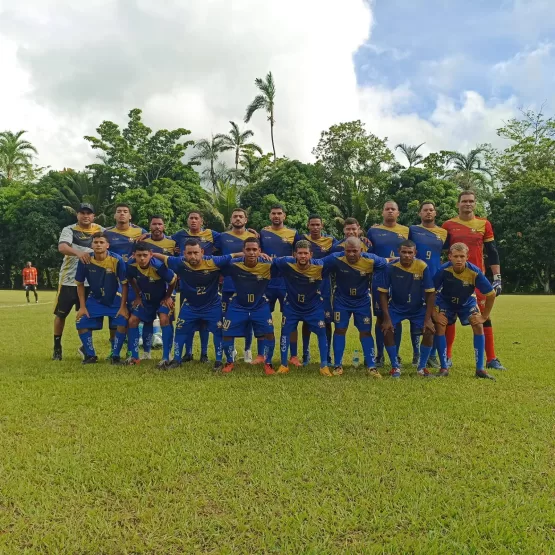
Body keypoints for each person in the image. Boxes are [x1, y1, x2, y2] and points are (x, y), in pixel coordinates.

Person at [442, 191, 505, 370]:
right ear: (458, 204)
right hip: (453, 278)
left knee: (484, 316)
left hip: (477, 278)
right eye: (464, 201)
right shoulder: (448, 225)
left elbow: (492, 252)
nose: (467, 204)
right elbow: (442, 251)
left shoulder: (484, 224)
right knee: (449, 315)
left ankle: (491, 358)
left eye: (471, 201)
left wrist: (497, 278)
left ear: (475, 204)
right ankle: (447, 357)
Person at [153, 239, 234, 371]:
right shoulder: (179, 262)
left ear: (201, 252)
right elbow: (165, 258)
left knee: (218, 331)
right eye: (189, 253)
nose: (193, 256)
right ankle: (177, 360)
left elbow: (233, 256)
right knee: (180, 330)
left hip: (212, 305)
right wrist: (152, 255)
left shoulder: (214, 261)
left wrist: (254, 255)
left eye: (196, 252)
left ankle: (219, 360)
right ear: (184, 253)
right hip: (190, 305)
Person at [323, 237, 388, 377]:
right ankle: (338, 365)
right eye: (348, 251)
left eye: (355, 251)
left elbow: (389, 262)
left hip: (362, 301)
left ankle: (371, 366)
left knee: (365, 332)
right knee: (340, 330)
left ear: (362, 250)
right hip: (342, 300)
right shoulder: (336, 258)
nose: (351, 254)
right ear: (344, 250)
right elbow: (317, 264)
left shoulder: (371, 260)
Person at [432, 242, 497, 380]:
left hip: (466, 302)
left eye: (462, 256)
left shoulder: (475, 272)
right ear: (450, 257)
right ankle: (444, 367)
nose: (459, 259)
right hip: (445, 302)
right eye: (456, 256)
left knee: (478, 325)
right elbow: (430, 292)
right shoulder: (443, 270)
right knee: (440, 325)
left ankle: (480, 369)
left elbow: (491, 294)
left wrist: (484, 317)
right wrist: (435, 313)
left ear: (467, 257)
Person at [272, 240, 332, 376]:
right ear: (295, 255)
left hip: (313, 306)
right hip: (292, 306)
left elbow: (338, 257)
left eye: (305, 253)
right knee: (285, 332)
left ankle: (324, 366)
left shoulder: (320, 265)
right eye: (300, 253)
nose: (303, 256)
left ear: (311, 254)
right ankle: (283, 364)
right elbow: (271, 261)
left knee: (322, 333)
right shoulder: (286, 262)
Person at [378, 240, 436, 378]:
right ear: (399, 252)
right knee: (387, 329)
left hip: (417, 308)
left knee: (429, 330)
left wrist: (428, 319)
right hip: (397, 306)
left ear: (415, 253)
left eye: (410, 252)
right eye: (404, 252)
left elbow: (431, 293)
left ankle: (421, 368)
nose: (407, 255)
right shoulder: (390, 267)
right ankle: (395, 367)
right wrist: (386, 318)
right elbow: (382, 293)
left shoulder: (422, 266)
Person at [53, 203, 104, 360]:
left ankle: (85, 346)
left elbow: (114, 238)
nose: (85, 216)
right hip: (69, 279)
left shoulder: (100, 230)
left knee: (88, 314)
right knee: (61, 315)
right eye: (82, 213)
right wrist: (78, 252)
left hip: (90, 281)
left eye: (88, 213)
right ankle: (57, 346)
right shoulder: (69, 229)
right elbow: (62, 248)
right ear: (77, 215)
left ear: (93, 216)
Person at [221, 237, 277, 375]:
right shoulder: (233, 264)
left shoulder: (269, 264)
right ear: (243, 251)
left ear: (260, 251)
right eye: (248, 250)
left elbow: (291, 262)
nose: (251, 253)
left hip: (259, 304)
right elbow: (215, 265)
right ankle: (229, 362)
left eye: (254, 250)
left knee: (269, 333)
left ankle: (268, 363)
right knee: (227, 333)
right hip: (238, 304)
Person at [172, 211, 221, 363]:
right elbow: (163, 240)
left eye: (196, 218)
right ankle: (188, 352)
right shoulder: (179, 235)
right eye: (191, 218)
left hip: (207, 283)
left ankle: (204, 354)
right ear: (187, 220)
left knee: (205, 324)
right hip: (188, 287)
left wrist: (252, 232)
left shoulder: (212, 234)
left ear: (202, 221)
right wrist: (145, 236)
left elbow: (229, 238)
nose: (193, 221)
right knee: (188, 323)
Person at [75, 232, 129, 364]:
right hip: (95, 299)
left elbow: (125, 284)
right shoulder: (85, 260)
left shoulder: (117, 260)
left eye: (101, 242)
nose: (98, 245)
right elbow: (80, 284)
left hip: (114, 298)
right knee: (81, 322)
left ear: (107, 245)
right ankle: (90, 355)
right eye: (96, 242)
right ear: (91, 245)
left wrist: (123, 307)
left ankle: (115, 356)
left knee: (122, 321)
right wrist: (82, 307)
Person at [367, 201, 409, 367]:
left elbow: (411, 252)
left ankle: (395, 353)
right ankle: (379, 354)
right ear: (382, 212)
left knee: (395, 318)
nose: (390, 211)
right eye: (387, 209)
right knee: (380, 317)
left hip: (400, 279)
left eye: (393, 209)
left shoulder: (406, 231)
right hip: (380, 278)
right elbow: (367, 255)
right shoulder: (373, 230)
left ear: (398, 213)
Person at [408, 201, 449, 368]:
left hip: (436, 278)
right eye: (425, 210)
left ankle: (432, 355)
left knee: (436, 316)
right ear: (420, 213)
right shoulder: (412, 230)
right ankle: (416, 353)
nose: (428, 213)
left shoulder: (444, 233)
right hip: (415, 278)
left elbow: (447, 252)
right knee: (416, 316)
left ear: (435, 213)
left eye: (431, 210)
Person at [259, 204, 300, 366]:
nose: (276, 216)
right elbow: (256, 249)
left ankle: (294, 355)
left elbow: (299, 253)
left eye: (279, 213)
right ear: (270, 216)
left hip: (286, 282)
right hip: (266, 282)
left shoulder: (293, 233)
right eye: (273, 213)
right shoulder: (263, 232)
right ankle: (261, 355)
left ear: (285, 216)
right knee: (263, 318)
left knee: (290, 319)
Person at [103, 204, 147, 356]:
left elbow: (149, 247)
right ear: (114, 216)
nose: (122, 214)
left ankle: (130, 350)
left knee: (131, 313)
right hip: (113, 278)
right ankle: (113, 350)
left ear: (130, 216)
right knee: (115, 314)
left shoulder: (141, 232)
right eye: (119, 211)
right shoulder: (107, 233)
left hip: (133, 277)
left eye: (125, 212)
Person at [126, 242, 177, 367]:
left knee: (164, 319)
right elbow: (130, 279)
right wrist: (138, 296)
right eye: (139, 255)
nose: (142, 258)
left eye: (145, 255)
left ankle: (166, 356)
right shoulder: (130, 265)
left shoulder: (158, 266)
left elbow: (173, 280)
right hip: (145, 299)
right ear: (134, 255)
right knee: (133, 320)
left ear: (150, 254)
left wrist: (168, 296)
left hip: (162, 298)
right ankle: (135, 356)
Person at [219, 208, 257, 363]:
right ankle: (231, 349)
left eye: (241, 216)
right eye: (235, 216)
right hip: (228, 283)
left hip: (249, 284)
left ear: (246, 220)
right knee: (227, 319)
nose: (238, 219)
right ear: (231, 219)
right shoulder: (222, 237)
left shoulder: (253, 236)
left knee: (249, 319)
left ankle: (247, 350)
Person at [300, 215, 338, 366]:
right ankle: (305, 353)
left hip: (325, 284)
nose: (315, 227)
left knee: (327, 319)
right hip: (306, 283)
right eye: (312, 225)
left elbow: (343, 248)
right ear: (308, 226)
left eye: (318, 224)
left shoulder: (331, 241)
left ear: (322, 226)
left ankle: (327, 355)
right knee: (306, 319)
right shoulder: (301, 239)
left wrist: (362, 238)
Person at [139, 215, 178, 360]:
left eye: (160, 224)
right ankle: (146, 353)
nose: (157, 227)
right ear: (149, 226)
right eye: (154, 224)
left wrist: (168, 295)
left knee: (166, 319)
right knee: (147, 319)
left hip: (168, 286)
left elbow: (178, 260)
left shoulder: (173, 242)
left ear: (164, 226)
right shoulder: (143, 242)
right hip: (149, 287)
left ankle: (168, 353)